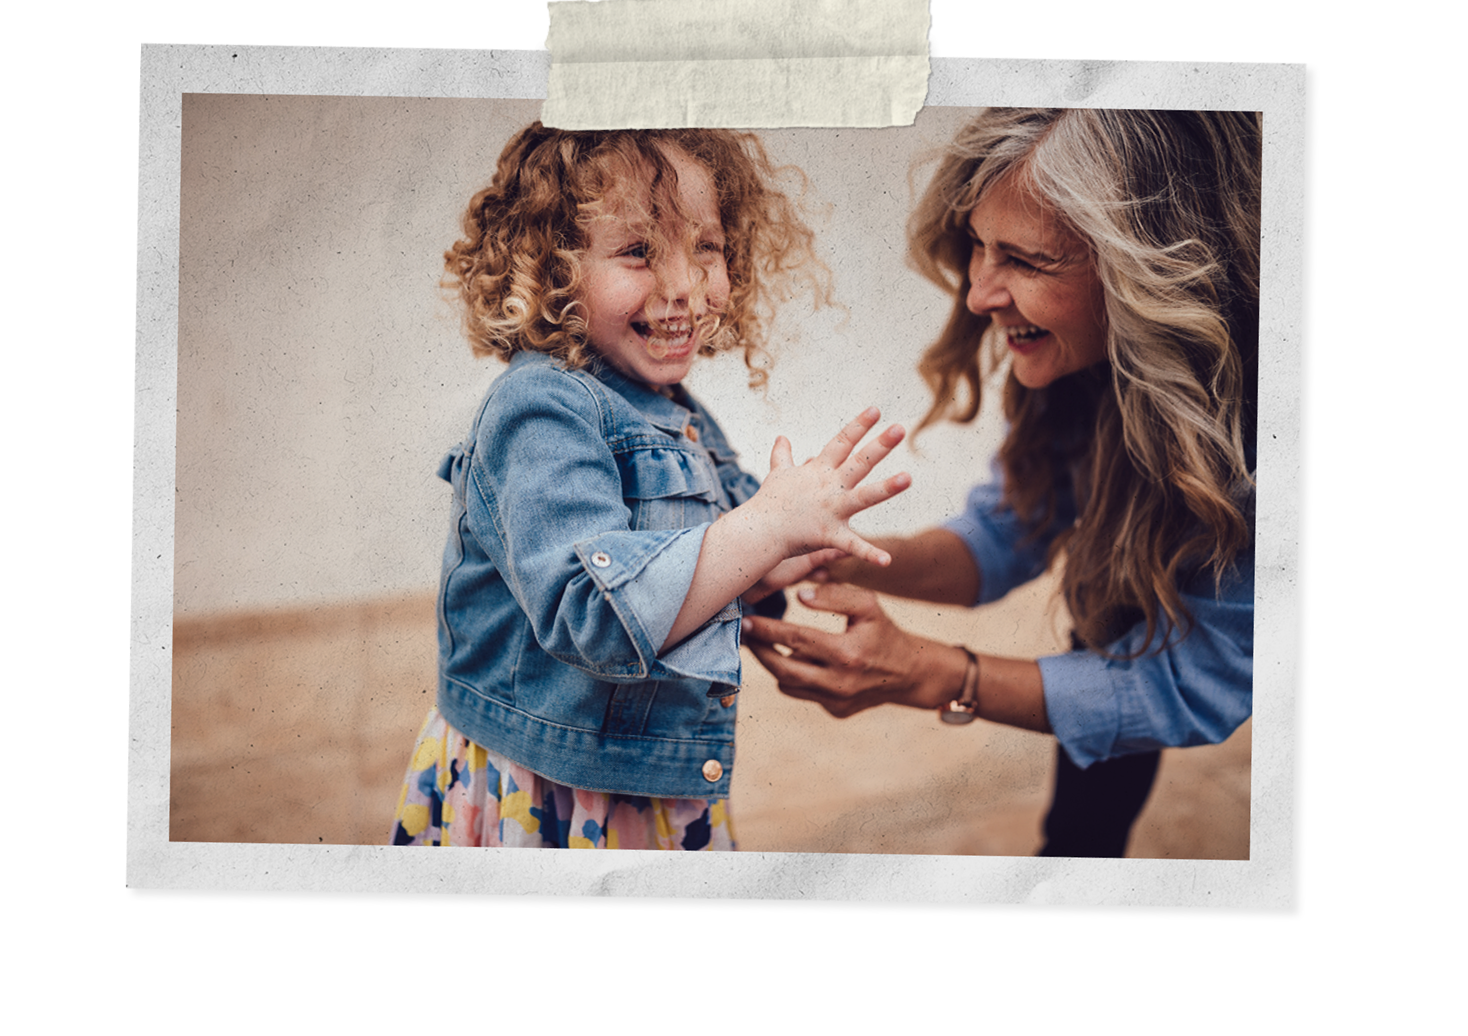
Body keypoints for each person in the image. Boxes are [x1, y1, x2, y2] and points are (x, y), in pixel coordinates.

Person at [744, 108, 1260, 858]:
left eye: (1024, 260)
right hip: (1123, 613)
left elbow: (1197, 682)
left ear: (1146, 263)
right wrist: (841, 553)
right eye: (980, 248)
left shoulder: (1266, 427)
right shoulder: (1078, 366)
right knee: (1113, 610)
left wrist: (932, 673)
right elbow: (1002, 534)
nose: (980, 292)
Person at [391, 122, 909, 850]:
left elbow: (705, 558)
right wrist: (762, 528)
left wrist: (782, 554)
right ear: (552, 268)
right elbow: (592, 613)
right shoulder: (540, 408)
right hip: (547, 790)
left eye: (708, 247)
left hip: (645, 780)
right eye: (639, 251)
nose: (683, 287)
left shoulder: (675, 412)